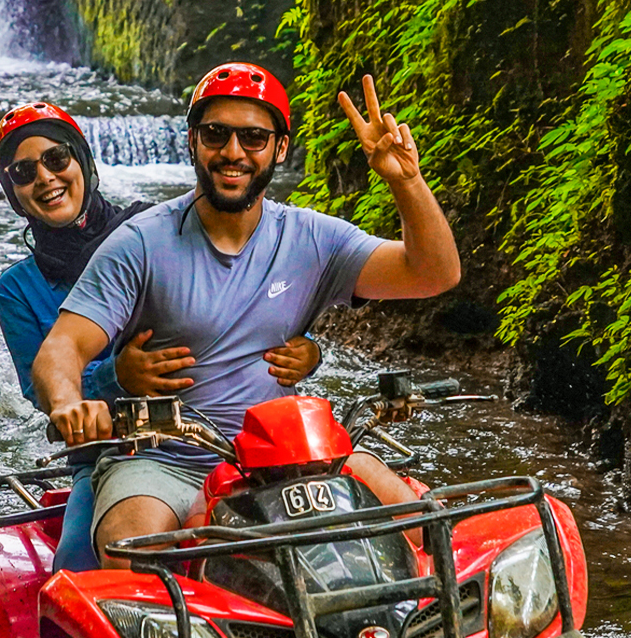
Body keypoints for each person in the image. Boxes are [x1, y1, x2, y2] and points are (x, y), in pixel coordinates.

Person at [32, 63, 461, 567]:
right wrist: (68, 404)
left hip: (289, 453)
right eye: (216, 134)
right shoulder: (139, 243)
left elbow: (432, 274)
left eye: (253, 137)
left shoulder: (312, 239)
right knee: (130, 548)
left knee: (423, 527)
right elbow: (62, 347)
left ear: (279, 148)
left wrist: (406, 181)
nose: (233, 152)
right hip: (165, 459)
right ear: (193, 141)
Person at [0, 101, 320, 571]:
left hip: (228, 434)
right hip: (113, 450)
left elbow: (242, 299)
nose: (45, 177)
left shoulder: (151, 230)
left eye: (57, 159)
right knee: (77, 564)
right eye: (23, 171)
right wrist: (116, 377)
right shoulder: (16, 290)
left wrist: (308, 347)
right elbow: (37, 387)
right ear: (11, 191)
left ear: (81, 161)